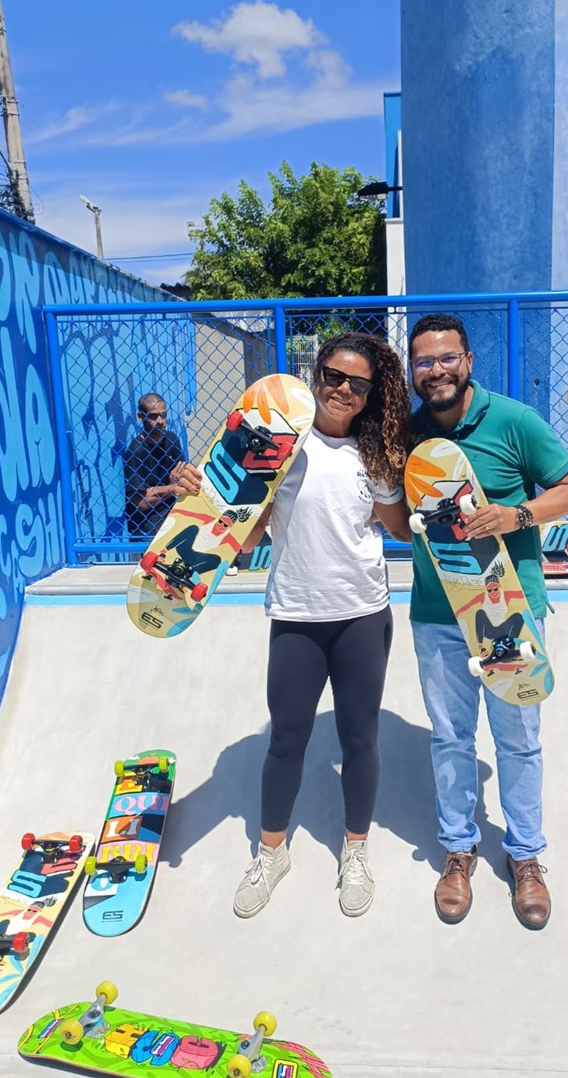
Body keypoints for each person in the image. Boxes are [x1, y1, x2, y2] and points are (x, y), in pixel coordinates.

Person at [176, 334, 412, 918]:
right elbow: (247, 536)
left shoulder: (373, 453)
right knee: (286, 741)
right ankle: (271, 852)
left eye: (358, 384)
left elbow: (402, 531)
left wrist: (419, 486)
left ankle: (354, 850)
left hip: (361, 615)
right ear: (315, 372)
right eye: (334, 375)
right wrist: (206, 499)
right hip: (296, 617)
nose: (342, 390)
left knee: (360, 740)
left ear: (368, 394)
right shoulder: (280, 447)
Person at [408, 314, 568, 929]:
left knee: (517, 738)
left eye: (446, 358)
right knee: (450, 737)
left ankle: (526, 857)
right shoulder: (406, 436)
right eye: (424, 362)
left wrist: (518, 515)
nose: (436, 371)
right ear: (413, 370)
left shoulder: (514, 421)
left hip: (511, 610)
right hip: (437, 613)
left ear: (468, 360)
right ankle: (458, 849)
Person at [123, 393, 186, 540]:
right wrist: (171, 488)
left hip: (173, 518)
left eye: (163, 415)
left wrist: (156, 491)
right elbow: (142, 502)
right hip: (147, 528)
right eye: (153, 416)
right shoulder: (136, 451)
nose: (160, 421)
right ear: (140, 416)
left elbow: (184, 477)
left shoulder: (171, 440)